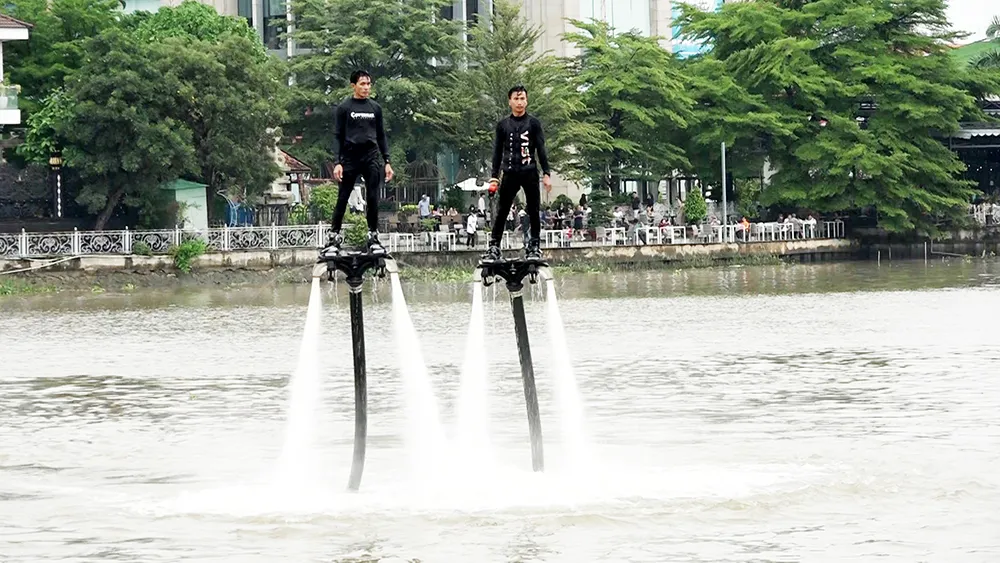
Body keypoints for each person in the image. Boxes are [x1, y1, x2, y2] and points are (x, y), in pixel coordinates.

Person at [325, 70, 394, 255]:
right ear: (353, 85)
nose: (366, 88)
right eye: (362, 84)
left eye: (369, 84)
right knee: (343, 197)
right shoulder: (344, 108)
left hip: (371, 157)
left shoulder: (375, 108)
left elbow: (381, 136)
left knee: (372, 198)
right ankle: (334, 236)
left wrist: (387, 161)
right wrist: (338, 162)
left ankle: (373, 235)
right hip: (350, 158)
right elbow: (338, 136)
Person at [481, 85, 551, 263]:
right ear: (510, 101)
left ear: (526, 101)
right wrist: (494, 177)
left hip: (529, 172)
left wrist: (547, 173)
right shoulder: (503, 125)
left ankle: (534, 245)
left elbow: (541, 149)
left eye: (522, 99)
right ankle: (494, 246)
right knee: (502, 210)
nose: (519, 102)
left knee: (534, 209)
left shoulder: (534, 123)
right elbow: (497, 152)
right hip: (510, 173)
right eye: (516, 99)